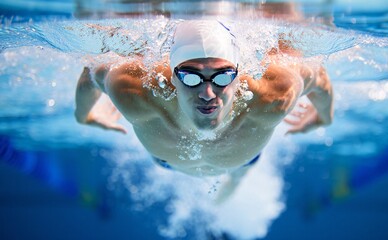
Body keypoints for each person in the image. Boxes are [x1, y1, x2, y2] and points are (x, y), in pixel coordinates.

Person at [75, 20, 333, 202]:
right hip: (168, 162)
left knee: (240, 173)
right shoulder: (135, 91)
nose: (208, 94)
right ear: (173, 76)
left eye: (222, 77)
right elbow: (91, 74)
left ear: (239, 74)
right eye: (190, 77)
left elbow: (319, 79)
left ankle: (236, 180)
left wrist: (324, 116)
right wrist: (83, 115)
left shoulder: (273, 94)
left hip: (242, 161)